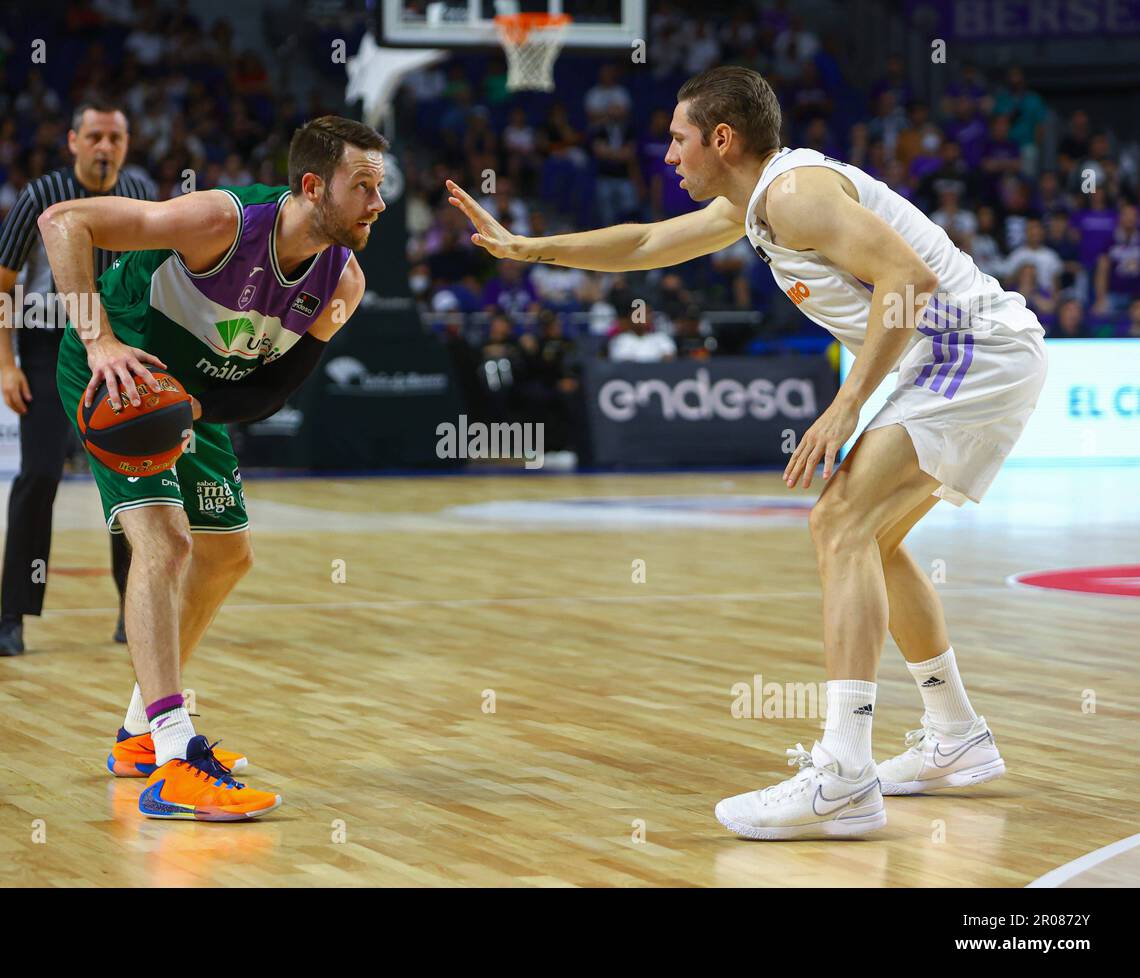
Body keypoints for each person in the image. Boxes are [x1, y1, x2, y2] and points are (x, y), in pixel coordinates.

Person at [447, 66, 1047, 841]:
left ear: (722, 139)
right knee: (871, 539)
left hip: (970, 352)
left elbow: (909, 277)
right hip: (967, 357)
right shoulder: (758, 203)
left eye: (678, 139)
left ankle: (842, 774)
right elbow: (646, 242)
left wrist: (847, 402)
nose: (667, 155)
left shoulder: (793, 194)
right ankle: (955, 736)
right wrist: (528, 247)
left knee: (838, 523)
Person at [43, 115, 386, 821]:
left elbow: (273, 389)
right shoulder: (217, 221)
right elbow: (63, 220)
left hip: (189, 392)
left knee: (228, 556)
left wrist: (195, 409)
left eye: (380, 189)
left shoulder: (343, 281)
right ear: (314, 186)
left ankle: (140, 735)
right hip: (120, 368)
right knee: (165, 543)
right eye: (363, 188)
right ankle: (174, 761)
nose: (378, 205)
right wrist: (99, 338)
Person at [0, 101, 153, 657]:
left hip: (121, 344)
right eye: (95, 136)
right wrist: (7, 365)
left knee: (130, 476)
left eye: (115, 137)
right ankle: (12, 618)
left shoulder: (143, 194)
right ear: (73, 142)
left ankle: (135, 608)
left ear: (126, 144)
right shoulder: (40, 196)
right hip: (48, 346)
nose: (105, 146)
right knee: (38, 476)